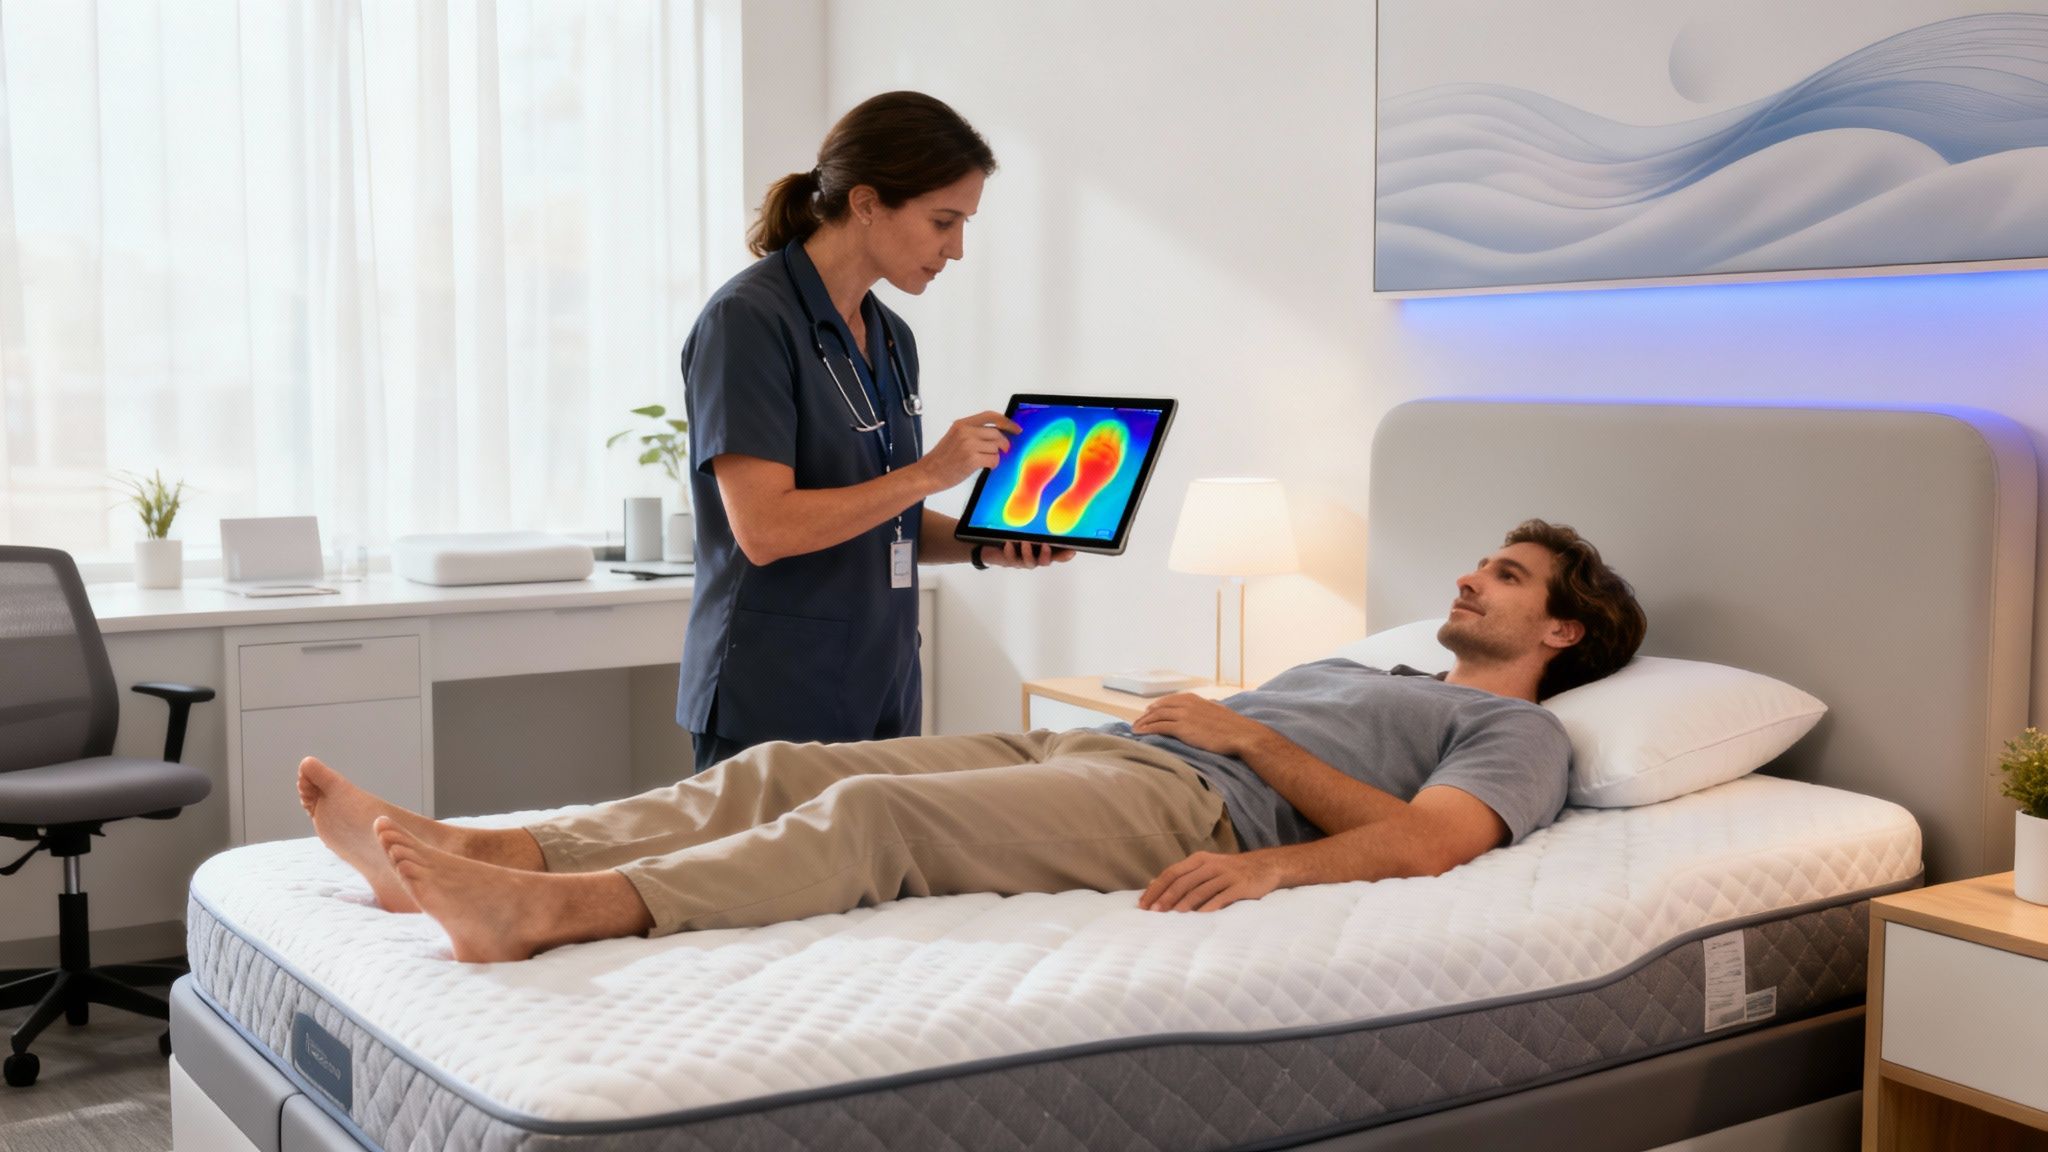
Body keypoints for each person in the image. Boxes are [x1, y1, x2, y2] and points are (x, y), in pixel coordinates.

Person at [298, 520, 1645, 964]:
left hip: (1196, 813)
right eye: (1479, 562)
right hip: (1114, 757)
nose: (1472, 579)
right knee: (788, 768)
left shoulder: (1517, 735)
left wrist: (1275, 851)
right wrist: (1191, 711)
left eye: (1511, 577)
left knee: (878, 824)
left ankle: (557, 909)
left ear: (1566, 634)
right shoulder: (1375, 657)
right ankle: (480, 847)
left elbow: (1424, 843)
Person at [678, 91, 1072, 773]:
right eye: (943, 221)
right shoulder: (748, 322)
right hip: (775, 694)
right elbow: (766, 529)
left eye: (964, 223)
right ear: (866, 203)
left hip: (881, 685)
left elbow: (885, 520)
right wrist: (930, 471)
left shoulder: (891, 338)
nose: (956, 249)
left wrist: (988, 544)